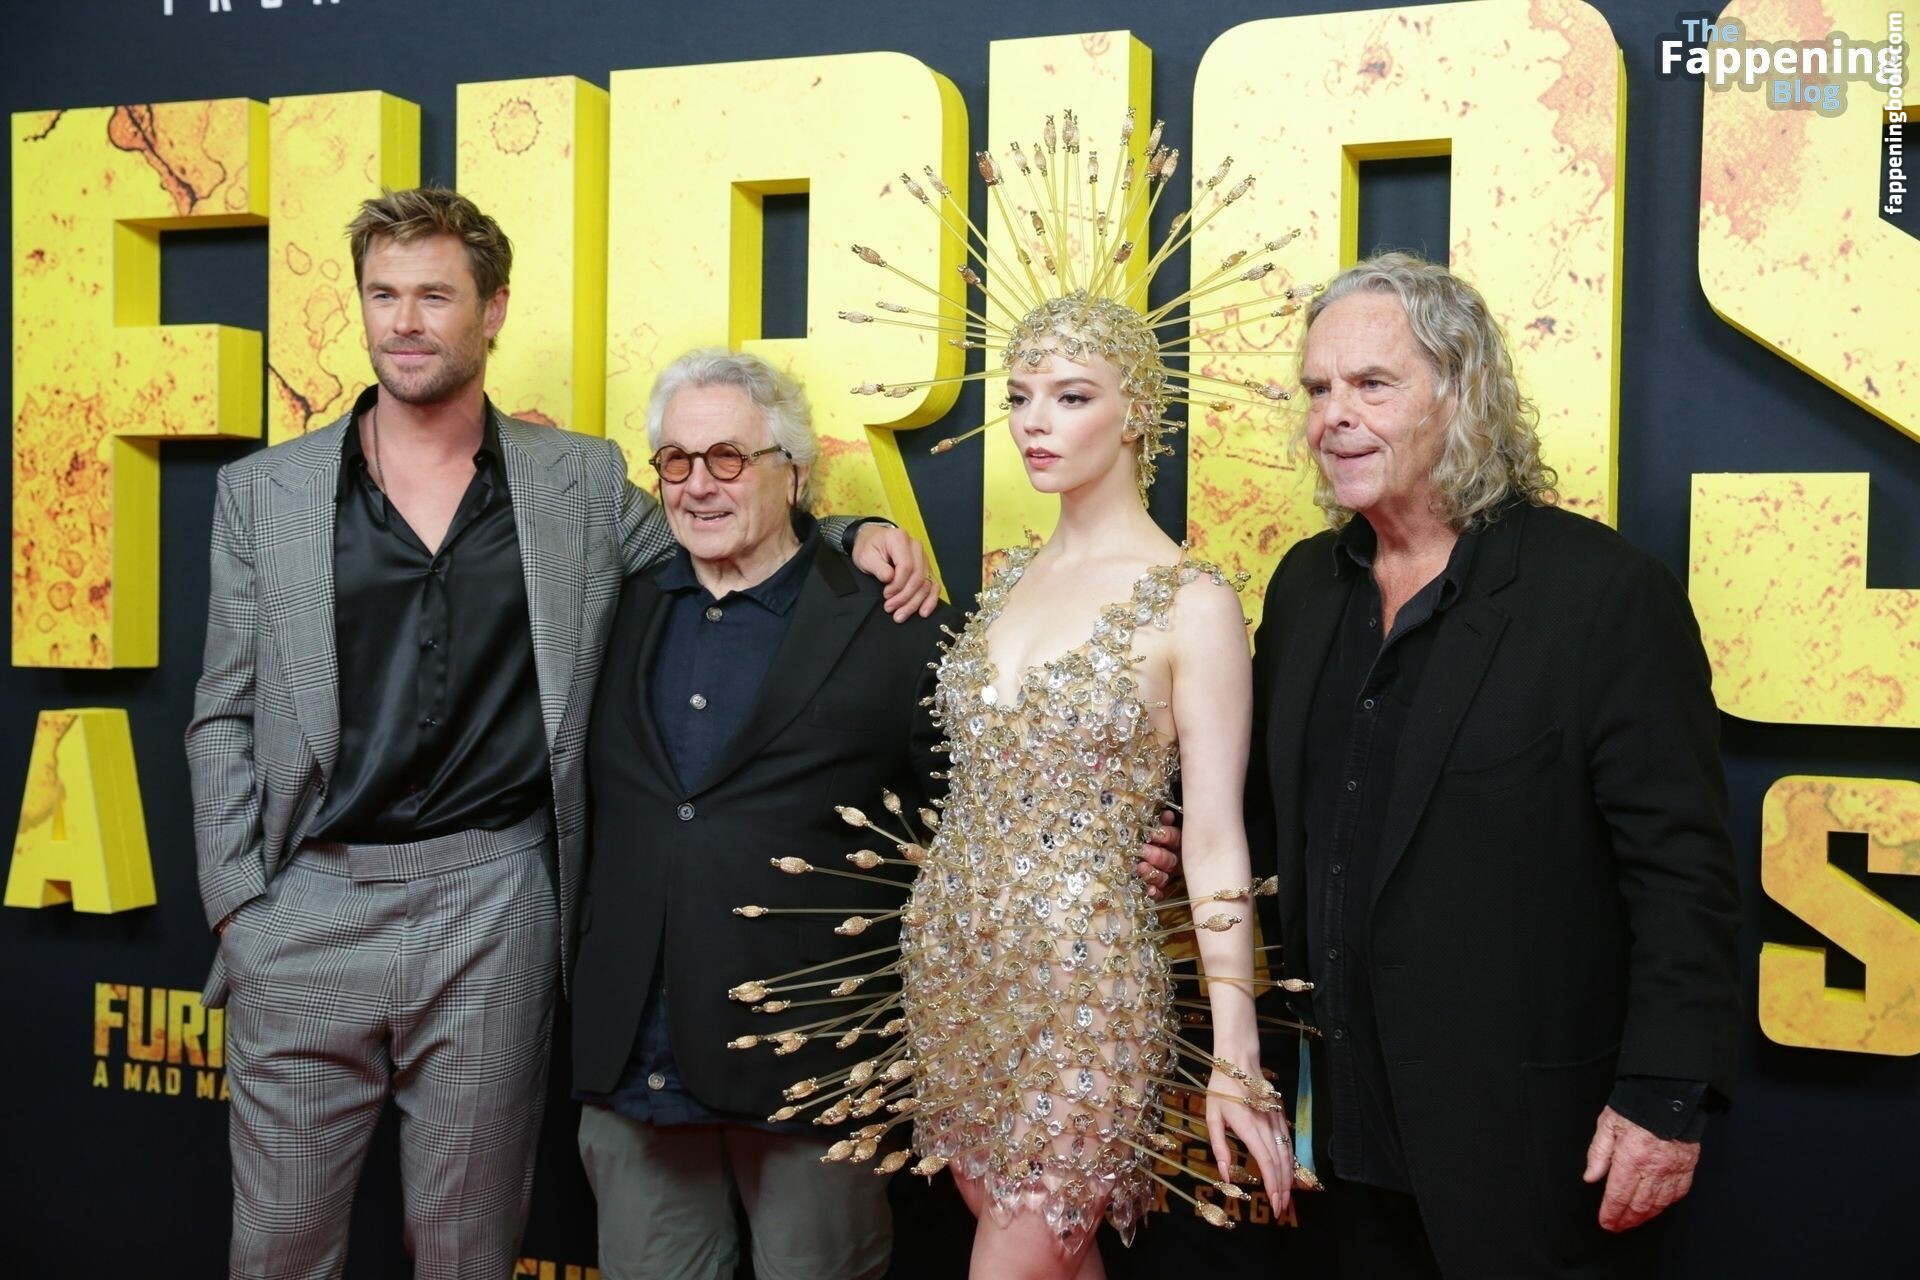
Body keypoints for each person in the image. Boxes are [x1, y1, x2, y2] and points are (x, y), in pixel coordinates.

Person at [184, 186, 936, 1280]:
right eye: (384, 294)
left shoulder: (573, 481)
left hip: (491, 901)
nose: (405, 321)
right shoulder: (267, 492)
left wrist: (852, 530)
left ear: (491, 310)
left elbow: (724, 529)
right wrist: (239, 905)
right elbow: (222, 709)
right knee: (277, 1247)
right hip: (309, 900)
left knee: (470, 1247)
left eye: (435, 294)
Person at [569, 348, 1183, 1280]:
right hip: (636, 1058)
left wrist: (1111, 843)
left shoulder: (891, 619)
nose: (698, 484)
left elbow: (987, 799)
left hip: (816, 1064)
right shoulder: (609, 605)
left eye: (728, 457)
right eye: (677, 461)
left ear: (793, 471)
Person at [1249, 252, 1742, 1277]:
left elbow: (1682, 876)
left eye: (1372, 384)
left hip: (1526, 1150)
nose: (1334, 417)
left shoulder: (1602, 595)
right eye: (1318, 389)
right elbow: (1270, 814)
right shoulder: (1304, 587)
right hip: (1328, 1147)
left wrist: (1665, 1097)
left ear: (1463, 392)